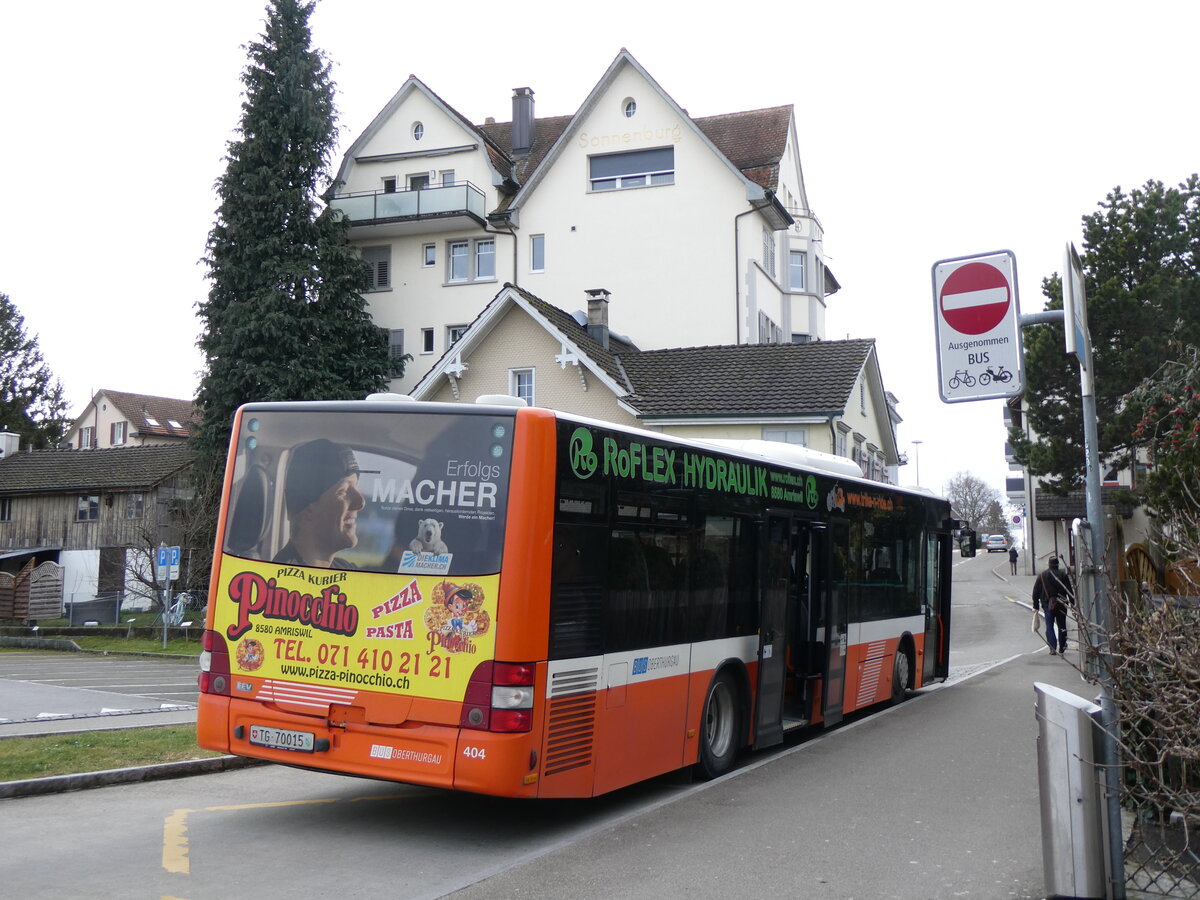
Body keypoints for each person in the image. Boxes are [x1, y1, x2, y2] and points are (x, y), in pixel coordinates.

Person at [274, 439, 365, 569]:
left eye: (355, 487)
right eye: (343, 491)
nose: (360, 503)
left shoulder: (347, 569)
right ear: (306, 512)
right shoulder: (280, 579)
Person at [1032, 556, 1072, 655]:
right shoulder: (1063, 575)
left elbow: (1035, 592)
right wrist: (1073, 604)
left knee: (1049, 626)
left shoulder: (1042, 575)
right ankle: (1062, 646)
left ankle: (1052, 648)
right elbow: (1069, 591)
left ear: (1049, 564)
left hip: (1047, 604)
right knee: (1062, 625)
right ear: (1058, 564)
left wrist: (1036, 605)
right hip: (1061, 604)